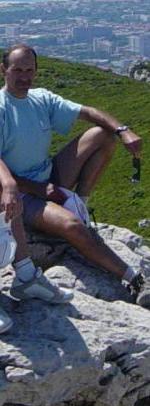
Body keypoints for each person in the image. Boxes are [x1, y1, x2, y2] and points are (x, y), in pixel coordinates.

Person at [0, 44, 148, 325]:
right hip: (20, 193)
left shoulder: (40, 98)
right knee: (71, 226)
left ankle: (80, 203)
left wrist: (123, 130)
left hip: (48, 177)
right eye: (17, 70)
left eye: (29, 70)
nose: (24, 77)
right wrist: (38, 189)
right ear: (3, 70)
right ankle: (134, 279)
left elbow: (89, 112)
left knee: (102, 135)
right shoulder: (1, 108)